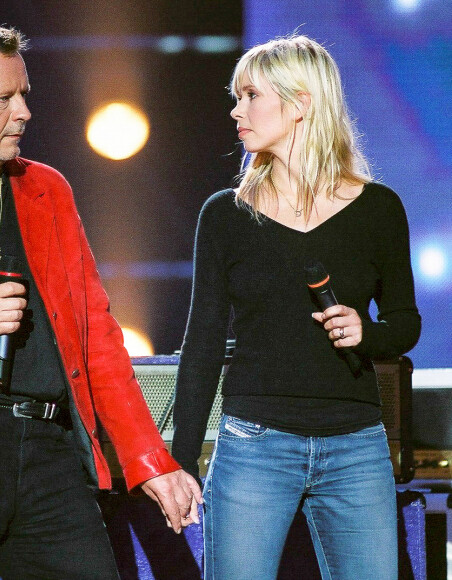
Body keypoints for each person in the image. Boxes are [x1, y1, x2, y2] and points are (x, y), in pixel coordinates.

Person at [0, 20, 201, 580]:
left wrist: (150, 461)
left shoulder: (46, 190)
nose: (23, 112)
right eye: (2, 99)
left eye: (23, 94)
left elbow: (98, 335)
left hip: (50, 452)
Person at [171, 35, 421, 580]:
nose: (236, 110)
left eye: (250, 95)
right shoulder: (225, 216)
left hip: (355, 448)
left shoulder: (378, 209)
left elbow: (405, 324)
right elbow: (203, 341)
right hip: (253, 447)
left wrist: (366, 332)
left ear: (301, 103)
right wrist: (181, 459)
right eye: (236, 97)